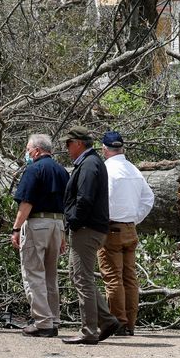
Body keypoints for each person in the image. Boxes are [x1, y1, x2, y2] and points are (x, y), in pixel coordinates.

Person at [60, 125, 120, 345]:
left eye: (68, 144)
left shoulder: (89, 164)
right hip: (89, 227)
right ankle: (106, 320)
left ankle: (88, 331)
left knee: (83, 279)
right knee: (78, 275)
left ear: (78, 143)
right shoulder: (90, 162)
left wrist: (74, 221)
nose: (67, 148)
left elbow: (84, 199)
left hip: (86, 228)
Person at [10, 134, 69, 338]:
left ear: (36, 150)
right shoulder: (62, 171)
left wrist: (16, 228)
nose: (27, 153)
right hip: (57, 224)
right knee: (51, 274)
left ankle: (42, 322)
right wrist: (63, 234)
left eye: (28, 150)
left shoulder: (34, 169)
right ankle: (53, 318)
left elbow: (26, 202)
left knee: (34, 272)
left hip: (37, 223)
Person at [98, 131, 154, 336]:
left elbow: (104, 199)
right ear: (122, 148)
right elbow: (149, 198)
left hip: (111, 228)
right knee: (129, 278)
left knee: (113, 278)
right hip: (130, 228)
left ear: (104, 149)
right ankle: (130, 323)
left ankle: (118, 323)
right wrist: (134, 218)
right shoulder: (133, 169)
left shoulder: (106, 170)